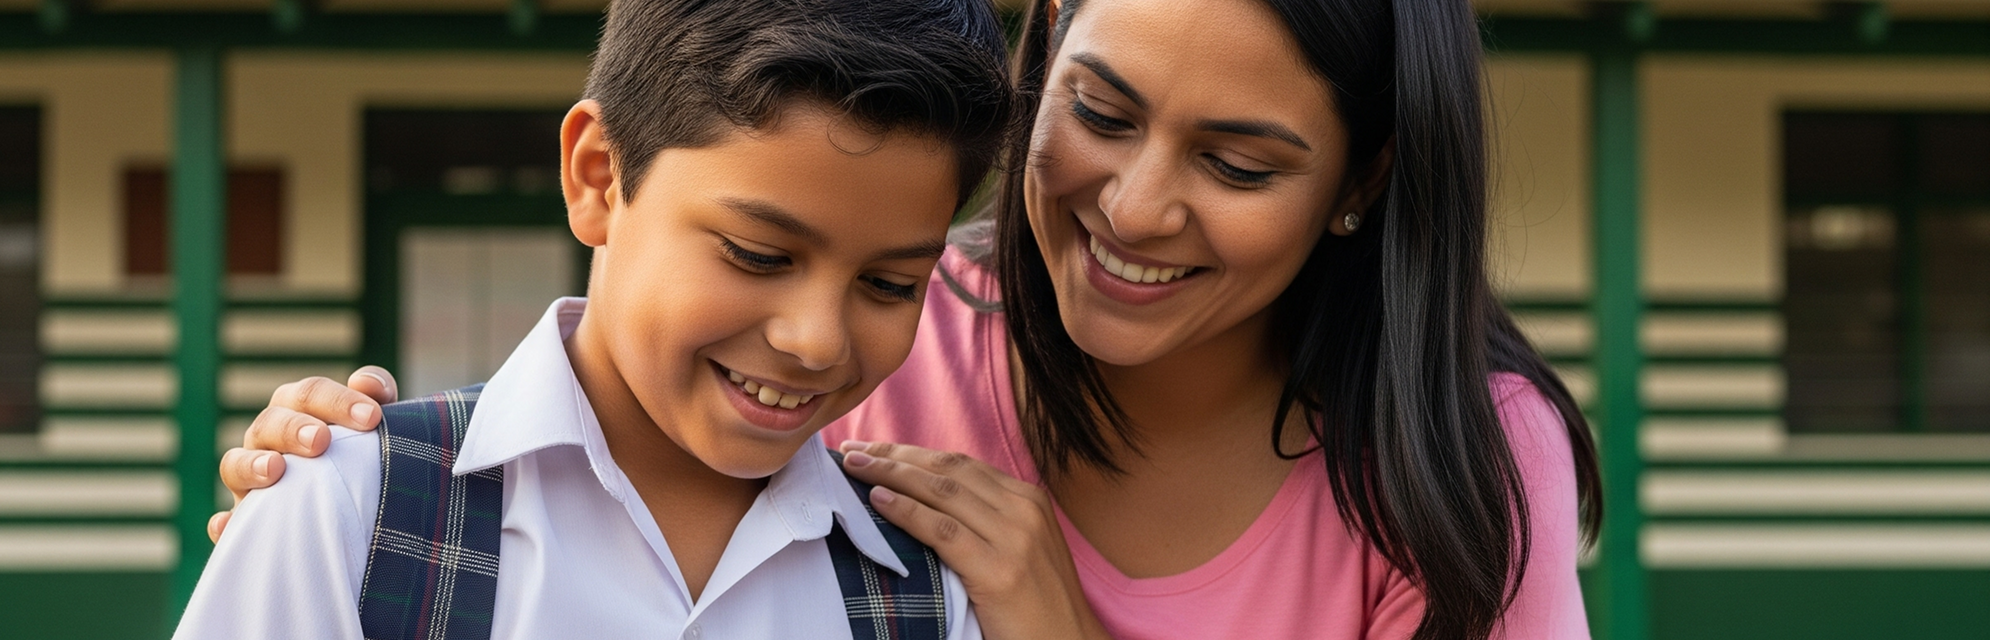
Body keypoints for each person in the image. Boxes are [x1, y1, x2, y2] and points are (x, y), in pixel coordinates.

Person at [214, 0, 1604, 638]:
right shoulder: (903, 322)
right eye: (1099, 111)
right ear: (1042, 56)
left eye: (1239, 165)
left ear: (1359, 182)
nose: (1133, 208)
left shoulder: (1459, 466)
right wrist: (371, 497)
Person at [171, 0, 1022, 638]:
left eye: (888, 284)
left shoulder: (924, 590)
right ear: (598, 176)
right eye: (758, 255)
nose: (817, 340)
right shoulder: (355, 513)